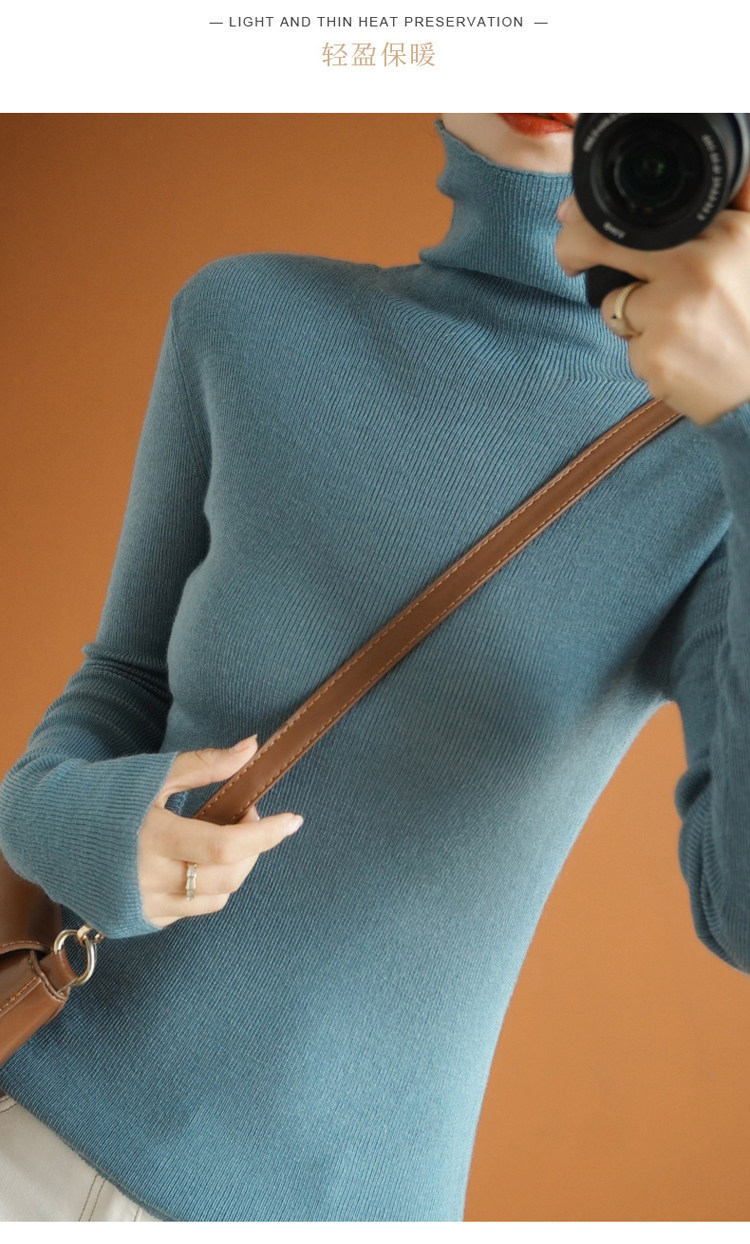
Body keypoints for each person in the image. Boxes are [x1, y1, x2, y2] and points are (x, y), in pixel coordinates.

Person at [1, 112, 750, 1223]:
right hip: (31, 1130)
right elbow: (112, 691)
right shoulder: (245, 318)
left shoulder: (709, 463)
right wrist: (94, 830)